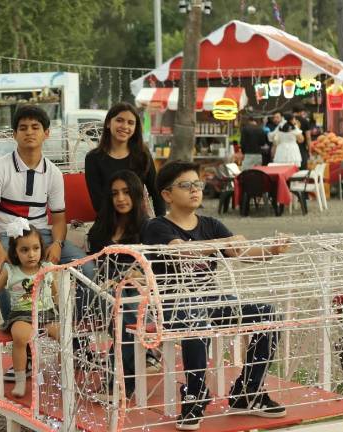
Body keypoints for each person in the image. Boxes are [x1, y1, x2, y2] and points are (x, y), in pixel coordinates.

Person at [141, 161, 288, 430]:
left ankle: (248, 392)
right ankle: (194, 398)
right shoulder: (157, 227)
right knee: (196, 318)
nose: (195, 190)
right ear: (166, 194)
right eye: (185, 185)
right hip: (171, 306)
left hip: (211, 300)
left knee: (268, 314)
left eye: (198, 184)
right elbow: (182, 251)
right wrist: (224, 243)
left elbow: (240, 254)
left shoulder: (210, 224)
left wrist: (272, 250)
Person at [0, 105, 95, 380]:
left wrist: (57, 243)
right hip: (7, 237)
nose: (29, 133)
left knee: (86, 269)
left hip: (42, 236)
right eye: (23, 128)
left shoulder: (53, 173)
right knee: (6, 272)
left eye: (35, 128)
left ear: (47, 133)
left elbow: (58, 219)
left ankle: (74, 339)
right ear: (14, 134)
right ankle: (25, 350)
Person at [86, 170, 153, 399]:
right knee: (123, 312)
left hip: (139, 295)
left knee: (126, 314)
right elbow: (91, 264)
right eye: (115, 193)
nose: (121, 198)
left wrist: (132, 276)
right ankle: (127, 375)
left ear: (136, 195)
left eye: (126, 192)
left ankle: (119, 384)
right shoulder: (100, 229)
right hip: (101, 291)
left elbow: (154, 268)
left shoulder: (148, 228)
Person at [0, 220, 59, 397]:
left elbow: (56, 294)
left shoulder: (47, 268)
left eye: (36, 248)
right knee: (21, 336)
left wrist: (64, 313)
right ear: (15, 252)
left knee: (64, 334)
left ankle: (61, 376)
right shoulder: (11, 270)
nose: (31, 254)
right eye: (24, 250)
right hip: (21, 315)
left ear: (41, 248)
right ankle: (21, 381)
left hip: (47, 314)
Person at [85, 102, 165, 218]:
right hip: (108, 222)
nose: (125, 126)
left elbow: (156, 192)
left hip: (140, 221)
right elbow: (98, 203)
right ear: (108, 123)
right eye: (119, 120)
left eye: (130, 123)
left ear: (135, 128)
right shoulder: (93, 158)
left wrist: (161, 223)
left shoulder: (143, 155)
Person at [292, 106, 312, 170]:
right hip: (301, 148)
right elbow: (308, 137)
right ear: (301, 112)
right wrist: (310, 151)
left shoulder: (287, 121)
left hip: (290, 148)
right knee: (302, 168)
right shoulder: (304, 121)